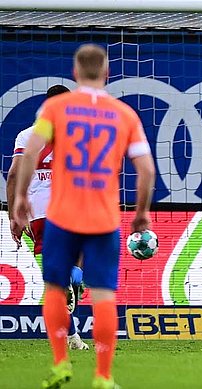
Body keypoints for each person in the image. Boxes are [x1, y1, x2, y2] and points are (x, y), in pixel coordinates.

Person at [13, 44, 155, 389]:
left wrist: (19, 199)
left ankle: (61, 362)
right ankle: (103, 376)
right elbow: (146, 170)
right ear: (106, 74)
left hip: (61, 212)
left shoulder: (56, 109)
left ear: (76, 74)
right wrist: (140, 213)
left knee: (53, 289)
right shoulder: (123, 113)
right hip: (102, 215)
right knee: (104, 292)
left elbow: (29, 155)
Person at [6, 84, 89, 351]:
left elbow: (15, 175)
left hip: (38, 213)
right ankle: (75, 281)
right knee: (74, 268)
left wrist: (13, 215)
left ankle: (72, 337)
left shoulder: (27, 136)